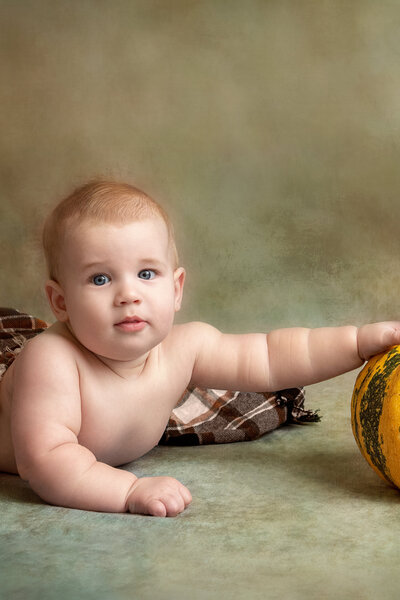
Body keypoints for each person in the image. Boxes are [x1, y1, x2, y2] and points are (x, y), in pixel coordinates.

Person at [1, 180, 399, 518]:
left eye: (146, 273)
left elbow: (270, 356)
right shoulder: (51, 361)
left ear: (176, 289)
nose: (129, 294)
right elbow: (46, 461)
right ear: (61, 303)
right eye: (100, 279)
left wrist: (357, 342)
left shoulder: (183, 348)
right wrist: (128, 491)